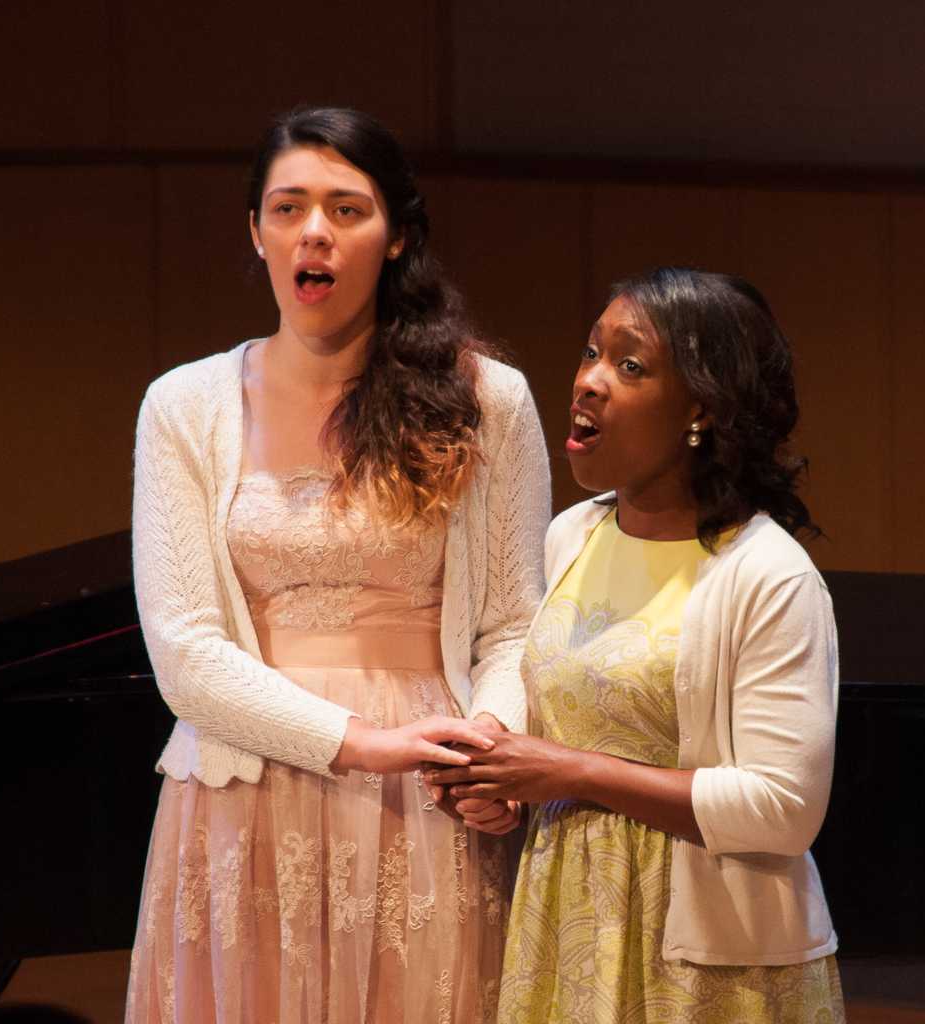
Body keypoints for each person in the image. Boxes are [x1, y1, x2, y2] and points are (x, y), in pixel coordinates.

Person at [126, 106, 549, 1024]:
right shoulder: (183, 405)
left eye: (347, 209)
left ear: (395, 237)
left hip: (427, 790)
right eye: (289, 208)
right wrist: (360, 744)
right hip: (241, 791)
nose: (314, 232)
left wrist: (488, 748)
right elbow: (186, 650)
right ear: (256, 230)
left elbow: (517, 619)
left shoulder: (490, 400)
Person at [430, 268, 846, 1023]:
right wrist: (500, 782)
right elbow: (561, 726)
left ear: (701, 409)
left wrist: (568, 772)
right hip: (568, 923)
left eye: (628, 365)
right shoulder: (572, 535)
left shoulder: (767, 574)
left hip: (711, 961)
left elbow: (784, 808)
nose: (588, 382)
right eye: (591, 353)